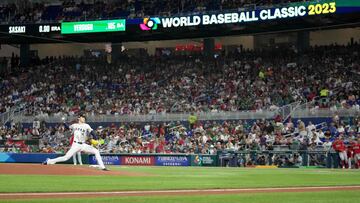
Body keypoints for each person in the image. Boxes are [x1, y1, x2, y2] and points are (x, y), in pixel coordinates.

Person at [42, 114, 108, 171]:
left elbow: (92, 133)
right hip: (75, 144)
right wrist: (64, 122)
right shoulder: (74, 125)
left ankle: (102, 167)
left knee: (96, 151)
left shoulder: (86, 125)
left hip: (83, 145)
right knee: (66, 158)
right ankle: (49, 161)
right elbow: (68, 127)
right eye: (83, 117)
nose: (84, 118)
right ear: (79, 118)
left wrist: (96, 140)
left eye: (84, 118)